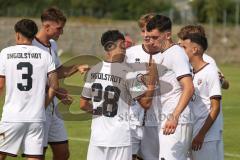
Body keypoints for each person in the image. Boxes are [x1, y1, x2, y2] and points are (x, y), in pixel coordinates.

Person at [80, 30, 158, 160]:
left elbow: (83, 105)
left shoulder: (94, 70)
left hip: (97, 138)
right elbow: (146, 103)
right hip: (119, 139)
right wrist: (152, 81)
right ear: (110, 47)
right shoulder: (128, 73)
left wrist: (100, 112)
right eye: (122, 45)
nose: (125, 49)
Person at [32, 7, 89, 160]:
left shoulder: (53, 45)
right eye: (59, 29)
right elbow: (34, 80)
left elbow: (58, 71)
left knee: (63, 153)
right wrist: (57, 91)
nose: (61, 32)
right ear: (46, 26)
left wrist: (77, 67)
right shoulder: (32, 46)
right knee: (38, 154)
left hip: (53, 107)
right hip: (39, 107)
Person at [0, 19, 58, 160]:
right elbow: (54, 85)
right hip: (36, 118)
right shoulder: (45, 56)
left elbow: (0, 85)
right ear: (33, 36)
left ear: (18, 35)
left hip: (12, 117)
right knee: (34, 157)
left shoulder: (5, 53)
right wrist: (43, 105)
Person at [146, 14, 195, 160]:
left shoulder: (176, 54)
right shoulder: (161, 56)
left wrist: (174, 116)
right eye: (149, 37)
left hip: (177, 120)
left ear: (167, 35)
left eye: (155, 37)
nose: (151, 42)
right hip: (166, 118)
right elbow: (149, 84)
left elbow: (189, 87)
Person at [177, 24, 225, 160]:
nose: (181, 50)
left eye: (184, 47)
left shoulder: (210, 71)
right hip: (194, 132)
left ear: (195, 50)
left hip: (206, 136)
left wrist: (201, 134)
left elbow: (215, 108)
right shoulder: (191, 72)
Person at [125, 13, 160, 160]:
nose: (146, 35)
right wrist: (142, 83)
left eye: (150, 31)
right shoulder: (130, 54)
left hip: (157, 121)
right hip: (131, 118)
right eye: (143, 30)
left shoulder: (168, 54)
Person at [177, 25, 229, 89]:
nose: (179, 42)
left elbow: (226, 85)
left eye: (182, 39)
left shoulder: (207, 60)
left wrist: (220, 80)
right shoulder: (177, 57)